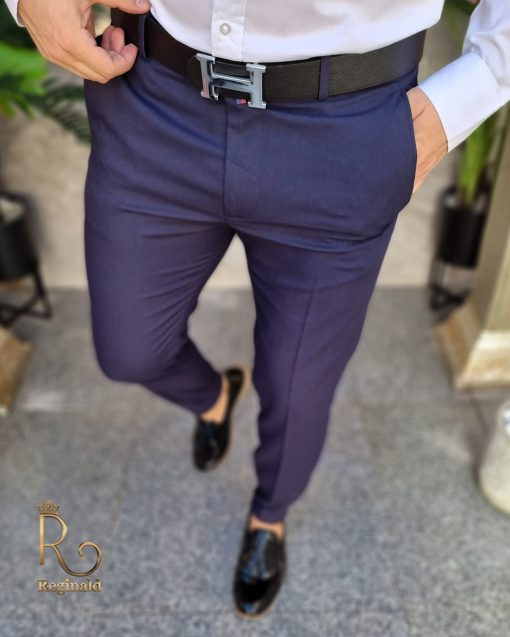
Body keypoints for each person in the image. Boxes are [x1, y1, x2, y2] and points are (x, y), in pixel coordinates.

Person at [7, 0, 510, 619]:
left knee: (299, 388)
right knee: (128, 350)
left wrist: (470, 90)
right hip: (153, 91)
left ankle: (270, 514)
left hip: (343, 126)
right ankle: (215, 396)